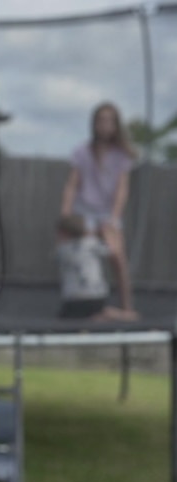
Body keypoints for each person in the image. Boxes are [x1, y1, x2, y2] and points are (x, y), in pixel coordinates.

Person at [60, 102, 137, 315]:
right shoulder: (82, 152)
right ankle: (75, 303)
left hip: (106, 214)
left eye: (109, 121)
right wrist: (66, 214)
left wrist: (113, 218)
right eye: (101, 120)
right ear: (94, 124)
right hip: (84, 212)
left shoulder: (121, 156)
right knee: (73, 255)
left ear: (115, 125)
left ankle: (127, 307)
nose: (104, 125)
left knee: (117, 257)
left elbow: (122, 189)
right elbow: (72, 185)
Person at [55, 213, 138, 321]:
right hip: (97, 298)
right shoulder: (93, 244)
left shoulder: (62, 250)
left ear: (64, 233)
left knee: (66, 316)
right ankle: (105, 314)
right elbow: (114, 251)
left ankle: (101, 315)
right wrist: (107, 233)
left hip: (73, 300)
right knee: (93, 312)